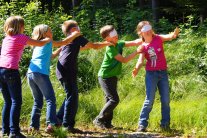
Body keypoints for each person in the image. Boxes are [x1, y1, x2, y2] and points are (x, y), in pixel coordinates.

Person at [56, 20, 113, 133]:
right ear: (73, 30)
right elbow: (95, 46)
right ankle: (67, 126)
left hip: (61, 69)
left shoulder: (70, 40)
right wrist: (109, 43)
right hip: (67, 69)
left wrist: (99, 44)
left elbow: (84, 47)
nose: (80, 29)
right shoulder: (76, 36)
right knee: (73, 97)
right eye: (78, 27)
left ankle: (58, 119)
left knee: (70, 95)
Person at [0, 16, 51, 138]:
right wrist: (48, 39)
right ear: (20, 27)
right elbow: (39, 43)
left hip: (1, 70)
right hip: (11, 71)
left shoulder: (7, 38)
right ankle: (14, 132)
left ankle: (5, 130)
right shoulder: (21, 37)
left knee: (8, 101)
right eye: (23, 26)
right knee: (16, 102)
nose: (24, 28)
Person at [27, 24, 81, 134]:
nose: (51, 33)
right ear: (44, 33)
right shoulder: (47, 40)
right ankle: (51, 124)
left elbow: (50, 56)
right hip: (41, 73)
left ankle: (34, 127)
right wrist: (74, 35)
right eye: (50, 31)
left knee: (38, 101)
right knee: (50, 99)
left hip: (30, 73)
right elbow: (63, 42)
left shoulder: (37, 45)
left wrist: (58, 51)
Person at [132, 21, 180, 132]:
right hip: (151, 75)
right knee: (149, 100)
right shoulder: (143, 46)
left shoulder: (158, 38)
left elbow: (169, 37)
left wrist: (174, 34)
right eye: (145, 30)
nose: (148, 31)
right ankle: (142, 124)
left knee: (166, 100)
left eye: (149, 28)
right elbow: (140, 61)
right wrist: (136, 69)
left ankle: (165, 124)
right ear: (140, 33)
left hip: (162, 73)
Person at [93, 25, 143, 129]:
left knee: (109, 100)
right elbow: (124, 60)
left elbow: (134, 42)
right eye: (112, 35)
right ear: (107, 38)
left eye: (116, 33)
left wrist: (145, 37)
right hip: (105, 76)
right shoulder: (110, 49)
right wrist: (136, 52)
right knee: (114, 100)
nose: (116, 36)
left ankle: (107, 123)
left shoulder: (119, 43)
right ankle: (99, 119)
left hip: (112, 76)